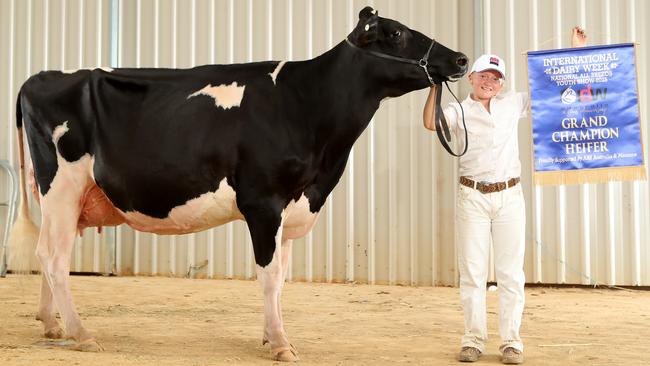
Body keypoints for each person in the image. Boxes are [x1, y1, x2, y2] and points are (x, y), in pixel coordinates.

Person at [422, 27, 587, 364]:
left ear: (502, 84)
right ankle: (473, 340)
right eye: (485, 75)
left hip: (510, 195)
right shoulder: (459, 110)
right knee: (473, 273)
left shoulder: (513, 103)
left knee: (511, 273)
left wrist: (574, 53)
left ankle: (512, 341)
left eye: (496, 78)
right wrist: (435, 85)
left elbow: (560, 94)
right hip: (472, 196)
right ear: (472, 77)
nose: (490, 82)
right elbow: (429, 123)